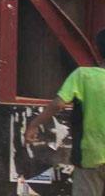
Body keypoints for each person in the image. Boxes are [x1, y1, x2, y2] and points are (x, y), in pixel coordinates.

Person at [25, 29, 105, 196]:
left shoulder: (83, 76)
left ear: (97, 50)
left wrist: (34, 124)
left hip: (90, 156)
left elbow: (59, 104)